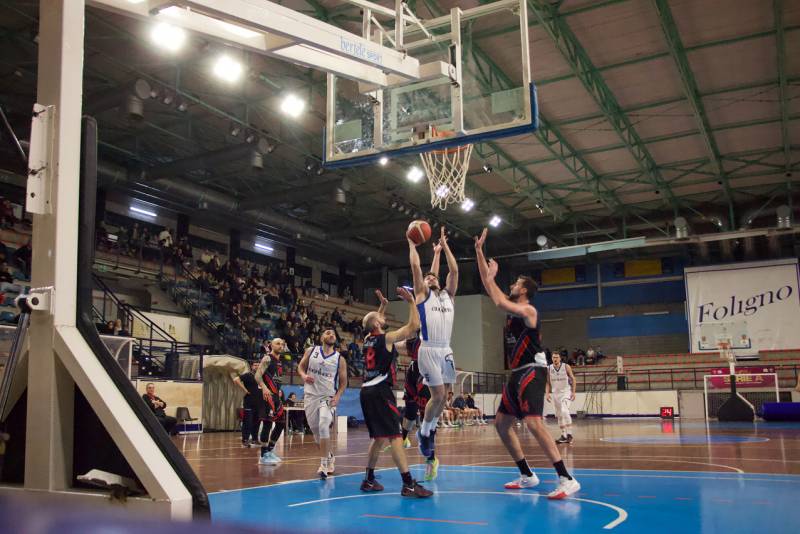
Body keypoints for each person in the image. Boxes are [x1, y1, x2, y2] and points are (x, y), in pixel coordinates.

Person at [474, 228, 579, 499]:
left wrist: (490, 275)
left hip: (533, 370)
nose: (511, 285)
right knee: (500, 424)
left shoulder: (529, 310)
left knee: (533, 423)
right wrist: (478, 252)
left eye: (516, 283)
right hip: (516, 374)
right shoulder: (512, 305)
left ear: (523, 290)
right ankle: (527, 474)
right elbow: (491, 289)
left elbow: (496, 297)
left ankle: (566, 478)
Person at [359, 287, 431, 498]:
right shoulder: (387, 339)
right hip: (380, 391)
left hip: (366, 391)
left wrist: (382, 306)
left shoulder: (367, 340)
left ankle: (369, 479)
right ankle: (408, 484)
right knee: (395, 436)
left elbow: (372, 321)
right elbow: (413, 326)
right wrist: (410, 302)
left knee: (378, 438)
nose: (382, 317)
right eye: (380, 317)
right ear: (377, 325)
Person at [409, 227, 458, 481]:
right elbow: (419, 271)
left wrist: (442, 247)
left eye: (433, 277)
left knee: (446, 396)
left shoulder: (448, 295)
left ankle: (429, 430)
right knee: (437, 395)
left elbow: (454, 271)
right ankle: (425, 431)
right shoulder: (422, 294)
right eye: (428, 279)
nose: (430, 279)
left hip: (447, 350)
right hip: (428, 348)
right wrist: (412, 246)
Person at [297, 328, 348, 479]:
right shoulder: (311, 351)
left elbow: (344, 382)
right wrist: (304, 376)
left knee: (323, 424)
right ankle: (330, 456)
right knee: (315, 432)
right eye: (327, 333)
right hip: (310, 395)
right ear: (321, 337)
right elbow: (300, 367)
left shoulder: (340, 359)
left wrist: (338, 396)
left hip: (328, 396)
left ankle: (324, 464)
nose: (331, 334)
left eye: (333, 333)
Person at [255, 338, 288, 465]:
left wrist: (278, 392)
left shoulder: (280, 361)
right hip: (267, 395)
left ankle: (269, 450)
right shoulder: (267, 358)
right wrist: (264, 388)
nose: (280, 346)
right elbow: (257, 376)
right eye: (277, 343)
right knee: (268, 424)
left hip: (276, 396)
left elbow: (275, 379)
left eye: (282, 344)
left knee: (281, 423)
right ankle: (263, 456)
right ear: (271, 345)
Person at [547, 351, 577, 444]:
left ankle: (570, 434)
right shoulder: (548, 368)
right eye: (553, 357)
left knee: (565, 411)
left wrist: (573, 392)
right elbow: (547, 382)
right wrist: (547, 393)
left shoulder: (566, 366)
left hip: (566, 392)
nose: (555, 359)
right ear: (551, 358)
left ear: (560, 358)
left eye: (556, 357)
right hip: (555, 394)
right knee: (559, 416)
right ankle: (563, 435)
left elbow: (573, 378)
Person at [233, 361, 261, 447]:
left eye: (258, 365)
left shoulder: (261, 376)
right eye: (255, 365)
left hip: (259, 403)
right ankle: (245, 440)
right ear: (252, 366)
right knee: (247, 422)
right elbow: (236, 379)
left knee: (257, 422)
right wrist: (244, 390)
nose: (256, 366)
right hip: (249, 402)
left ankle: (255, 439)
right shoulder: (248, 375)